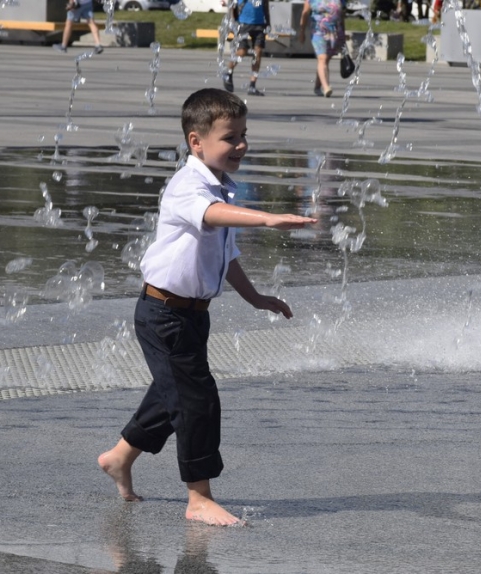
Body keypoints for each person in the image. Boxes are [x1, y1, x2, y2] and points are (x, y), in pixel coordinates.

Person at [97, 88, 317, 526]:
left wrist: (256, 297)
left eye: (243, 135)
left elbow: (225, 255)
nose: (241, 146)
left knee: (171, 393)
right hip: (163, 313)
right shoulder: (188, 186)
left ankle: (119, 457)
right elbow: (212, 216)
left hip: (192, 314)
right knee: (197, 400)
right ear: (196, 142)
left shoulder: (220, 187)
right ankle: (199, 498)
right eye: (230, 138)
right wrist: (269, 218)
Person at [298, 0, 346, 97]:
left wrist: (343, 33)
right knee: (322, 58)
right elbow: (305, 13)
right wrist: (302, 32)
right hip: (318, 31)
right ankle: (326, 87)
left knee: (325, 60)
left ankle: (317, 86)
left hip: (334, 32)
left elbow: (341, 15)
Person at [223, 0, 271, 96]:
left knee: (258, 53)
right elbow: (232, 6)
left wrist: (268, 22)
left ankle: (252, 86)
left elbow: (265, 6)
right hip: (243, 23)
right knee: (242, 51)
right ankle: (228, 72)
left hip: (259, 24)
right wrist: (232, 24)